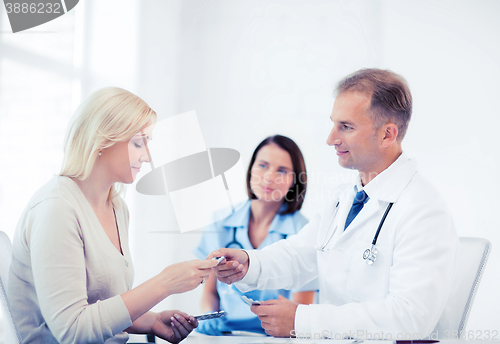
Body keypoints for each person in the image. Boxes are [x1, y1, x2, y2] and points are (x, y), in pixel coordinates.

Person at [208, 68, 459, 339]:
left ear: (387, 134)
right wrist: (248, 263)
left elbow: (411, 317)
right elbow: (299, 256)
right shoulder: (344, 198)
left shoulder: (423, 209)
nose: (331, 139)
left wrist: (302, 319)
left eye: (346, 127)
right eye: (334, 124)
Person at [8, 87, 218, 344]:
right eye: (139, 143)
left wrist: (151, 321)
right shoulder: (56, 207)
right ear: (102, 141)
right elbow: (73, 330)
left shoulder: (117, 206)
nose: (147, 156)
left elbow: (103, 307)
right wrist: (165, 282)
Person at [193, 135, 317, 336]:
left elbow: (300, 309)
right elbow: (210, 292)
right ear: (251, 169)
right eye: (263, 165)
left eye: (282, 171)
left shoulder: (305, 232)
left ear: (294, 180)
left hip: (277, 338)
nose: (269, 177)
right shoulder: (220, 222)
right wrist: (208, 314)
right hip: (224, 335)